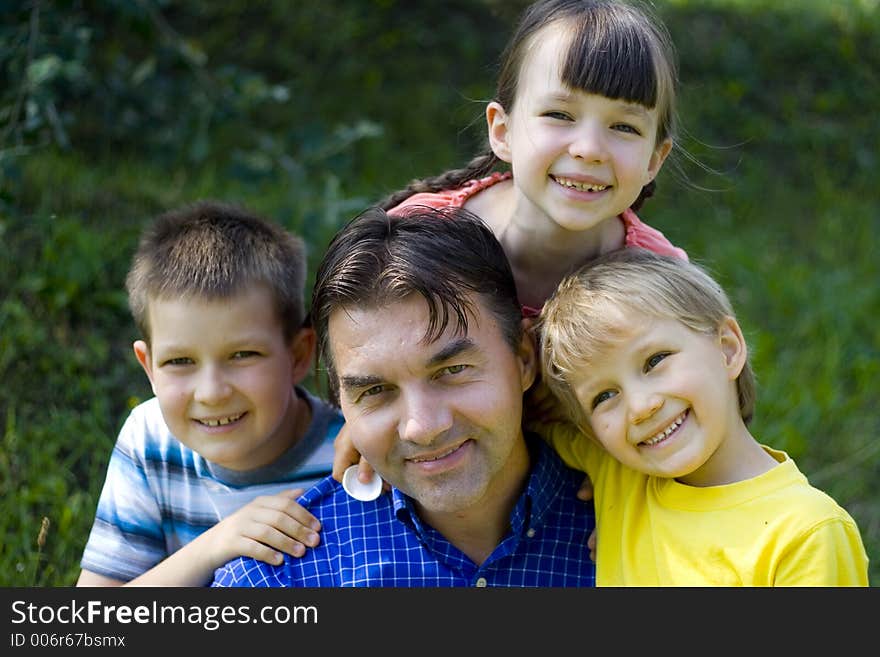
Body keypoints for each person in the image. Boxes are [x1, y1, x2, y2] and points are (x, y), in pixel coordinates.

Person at [334, 0, 688, 485]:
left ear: (654, 158)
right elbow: (361, 350)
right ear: (502, 130)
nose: (588, 148)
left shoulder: (659, 281)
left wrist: (627, 482)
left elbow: (706, 414)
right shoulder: (420, 236)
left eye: (623, 126)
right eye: (560, 114)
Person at [211, 205, 596, 587]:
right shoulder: (278, 577)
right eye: (375, 391)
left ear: (524, 360)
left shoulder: (631, 524)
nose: (422, 427)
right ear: (341, 403)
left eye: (451, 371)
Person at [535, 247, 870, 586]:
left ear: (727, 349)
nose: (640, 407)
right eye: (604, 396)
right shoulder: (615, 471)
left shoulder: (805, 533)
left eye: (654, 361)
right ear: (592, 432)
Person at [76, 201, 343, 586]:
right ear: (148, 367)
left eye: (242, 355)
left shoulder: (347, 455)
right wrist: (216, 545)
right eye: (181, 361)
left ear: (298, 355)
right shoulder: (149, 441)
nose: (212, 393)